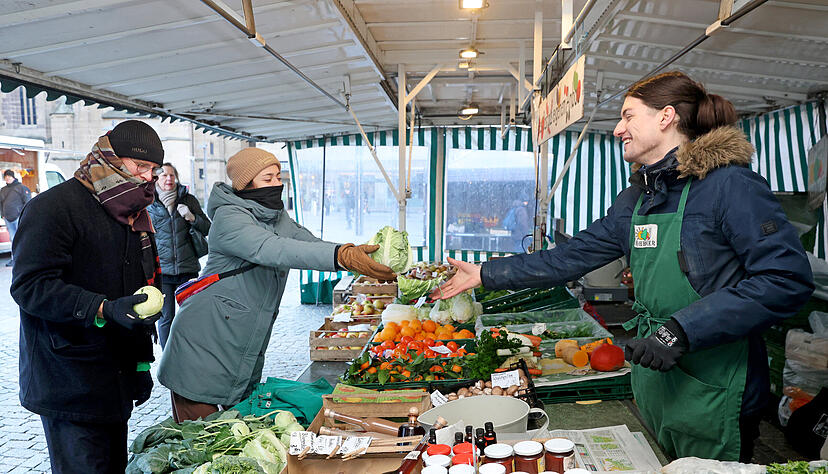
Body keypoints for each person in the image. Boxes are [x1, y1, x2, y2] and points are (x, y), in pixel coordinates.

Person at [432, 71, 814, 462]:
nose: (617, 129)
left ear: (666, 117)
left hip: (713, 382)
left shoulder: (730, 185)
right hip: (654, 373)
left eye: (628, 116)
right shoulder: (639, 197)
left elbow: (785, 279)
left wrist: (681, 331)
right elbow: (574, 255)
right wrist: (486, 274)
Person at [158, 148, 396, 422]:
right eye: (267, 178)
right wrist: (340, 257)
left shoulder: (274, 215)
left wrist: (349, 252)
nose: (277, 184)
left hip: (238, 345)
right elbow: (274, 249)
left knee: (236, 433)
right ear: (246, 185)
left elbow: (306, 244)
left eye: (278, 176)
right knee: (204, 444)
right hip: (201, 347)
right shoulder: (228, 219)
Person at [10, 120, 164, 473]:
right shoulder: (53, 208)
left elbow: (138, 291)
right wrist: (102, 308)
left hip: (116, 380)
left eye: (153, 169)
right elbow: (30, 286)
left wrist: (140, 365)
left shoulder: (132, 214)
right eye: (141, 166)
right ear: (109, 157)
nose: (147, 177)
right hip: (69, 381)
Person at [147, 163, 211, 349]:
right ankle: (168, 356)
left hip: (187, 269)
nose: (168, 179)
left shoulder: (188, 200)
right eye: (164, 175)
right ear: (156, 178)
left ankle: (186, 353)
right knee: (166, 317)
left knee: (188, 316)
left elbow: (207, 228)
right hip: (163, 271)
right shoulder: (149, 202)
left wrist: (192, 217)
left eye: (172, 175)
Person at [0, 169, 32, 267]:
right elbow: (0, 203)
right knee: (13, 239)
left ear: (13, 177)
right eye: (6, 176)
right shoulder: (3, 190)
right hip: (8, 218)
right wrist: (2, 214)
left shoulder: (21, 188)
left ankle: (24, 258)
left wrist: (23, 214)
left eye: (9, 176)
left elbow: (27, 202)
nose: (7, 178)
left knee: (22, 238)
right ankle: (14, 259)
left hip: (19, 218)